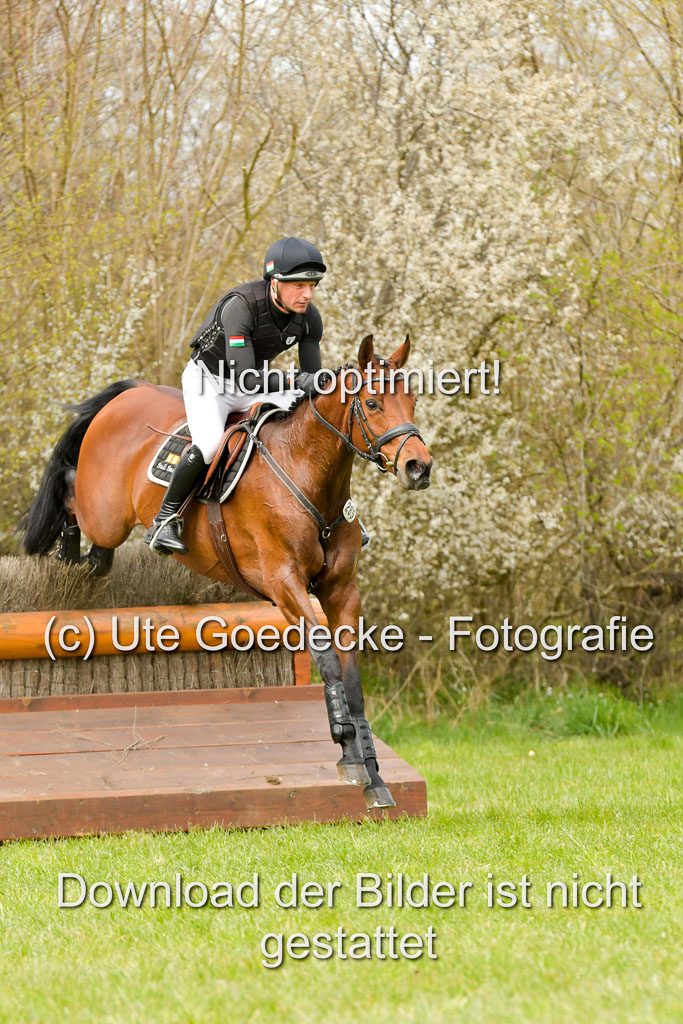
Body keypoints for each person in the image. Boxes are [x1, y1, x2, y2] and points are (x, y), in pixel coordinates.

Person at [145, 236, 327, 555]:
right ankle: (164, 520)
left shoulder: (309, 318)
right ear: (274, 282)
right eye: (298, 285)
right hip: (210, 382)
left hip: (253, 380)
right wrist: (297, 380)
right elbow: (247, 380)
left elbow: (310, 384)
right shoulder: (240, 306)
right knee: (209, 444)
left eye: (312, 285)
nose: (307, 294)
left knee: (304, 423)